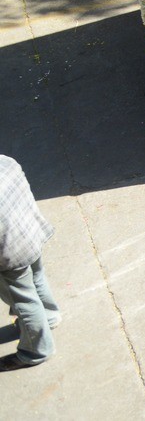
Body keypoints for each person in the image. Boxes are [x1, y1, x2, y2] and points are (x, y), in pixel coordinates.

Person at [0, 155, 59, 370]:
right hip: (30, 231)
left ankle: (35, 351)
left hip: (9, 252)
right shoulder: (5, 162)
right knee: (37, 277)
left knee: (23, 302)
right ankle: (50, 317)